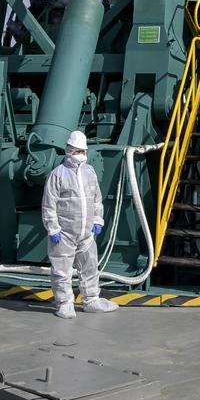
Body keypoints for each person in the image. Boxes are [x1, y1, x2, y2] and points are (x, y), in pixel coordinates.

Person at [40, 130, 118, 319]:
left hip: (86, 233)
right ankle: (65, 304)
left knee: (90, 267)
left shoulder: (89, 172)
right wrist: (53, 228)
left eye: (82, 151)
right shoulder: (57, 175)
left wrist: (98, 220)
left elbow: (96, 199)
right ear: (68, 150)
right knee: (62, 270)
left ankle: (91, 300)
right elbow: (49, 205)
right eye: (77, 151)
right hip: (64, 233)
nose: (80, 155)